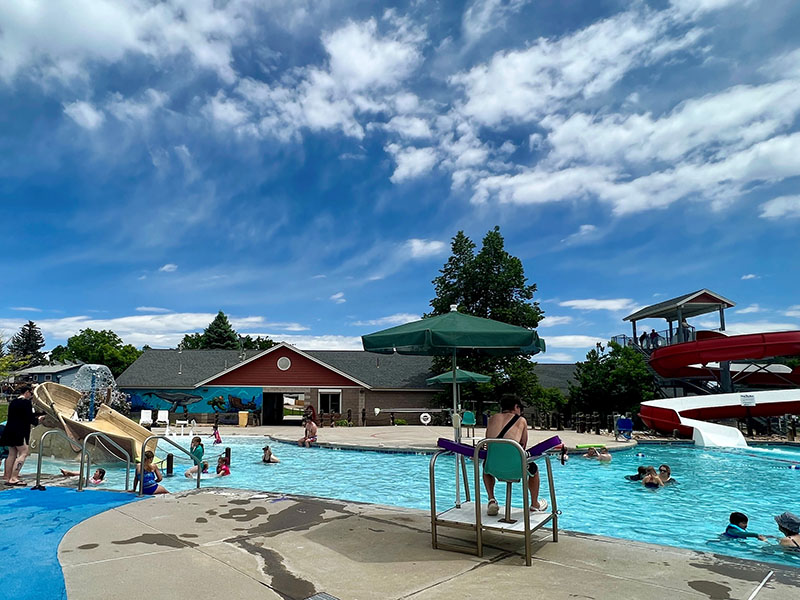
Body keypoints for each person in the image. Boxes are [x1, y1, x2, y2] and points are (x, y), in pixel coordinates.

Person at [482, 394, 548, 516]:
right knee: (534, 470)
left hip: (493, 468)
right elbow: (523, 444)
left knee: (485, 466)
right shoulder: (521, 420)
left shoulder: (492, 419)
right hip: (516, 469)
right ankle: (534, 504)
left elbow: (488, 442)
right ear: (516, 407)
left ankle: (491, 499)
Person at [1, 384, 46, 486]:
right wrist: (38, 420)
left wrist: (37, 415)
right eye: (31, 393)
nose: (31, 396)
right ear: (26, 392)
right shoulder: (26, 403)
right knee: (24, 453)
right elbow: (29, 418)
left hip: (9, 430)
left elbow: (22, 415)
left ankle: (7, 477)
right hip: (20, 431)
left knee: (11, 454)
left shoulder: (13, 402)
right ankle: (14, 477)